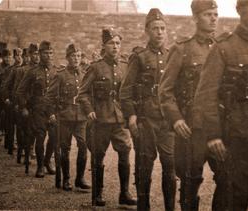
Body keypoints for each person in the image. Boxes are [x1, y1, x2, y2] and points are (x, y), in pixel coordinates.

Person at [192, 0, 248, 210]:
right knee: (233, 199)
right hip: (237, 138)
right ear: (240, 10)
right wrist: (213, 134)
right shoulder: (225, 47)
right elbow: (205, 94)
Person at [158, 1, 218, 210]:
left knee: (228, 180)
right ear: (195, 18)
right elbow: (165, 91)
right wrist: (176, 119)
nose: (213, 18)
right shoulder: (182, 49)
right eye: (208, 14)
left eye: (215, 14)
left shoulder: (222, 48)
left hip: (218, 129)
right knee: (191, 182)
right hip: (191, 130)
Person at [120, 8, 175, 211]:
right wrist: (132, 116)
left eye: (162, 28)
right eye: (155, 29)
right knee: (144, 168)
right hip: (145, 121)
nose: (159, 32)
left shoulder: (172, 56)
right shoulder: (139, 57)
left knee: (170, 167)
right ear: (147, 31)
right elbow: (125, 91)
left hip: (166, 122)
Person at [77, 28, 136, 207]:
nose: (115, 47)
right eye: (111, 43)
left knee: (125, 152)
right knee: (98, 156)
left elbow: (131, 92)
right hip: (100, 120)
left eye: (118, 43)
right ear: (104, 46)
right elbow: (83, 93)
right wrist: (89, 111)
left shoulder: (126, 66)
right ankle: (97, 194)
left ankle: (124, 193)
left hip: (119, 120)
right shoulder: (95, 67)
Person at [45, 43, 91, 191]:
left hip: (81, 117)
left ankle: (80, 178)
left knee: (83, 146)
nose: (76, 59)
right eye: (73, 56)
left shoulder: (85, 74)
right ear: (67, 58)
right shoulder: (60, 75)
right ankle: (66, 179)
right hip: (64, 116)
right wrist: (51, 113)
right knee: (65, 148)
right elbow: (49, 97)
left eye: (78, 56)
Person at [17, 41, 57, 178]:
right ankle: (40, 166)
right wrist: (24, 107)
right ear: (40, 54)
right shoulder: (32, 72)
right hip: (37, 109)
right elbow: (20, 91)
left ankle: (47, 161)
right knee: (40, 137)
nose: (49, 56)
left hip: (52, 109)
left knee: (54, 137)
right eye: (46, 53)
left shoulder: (56, 71)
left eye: (51, 53)